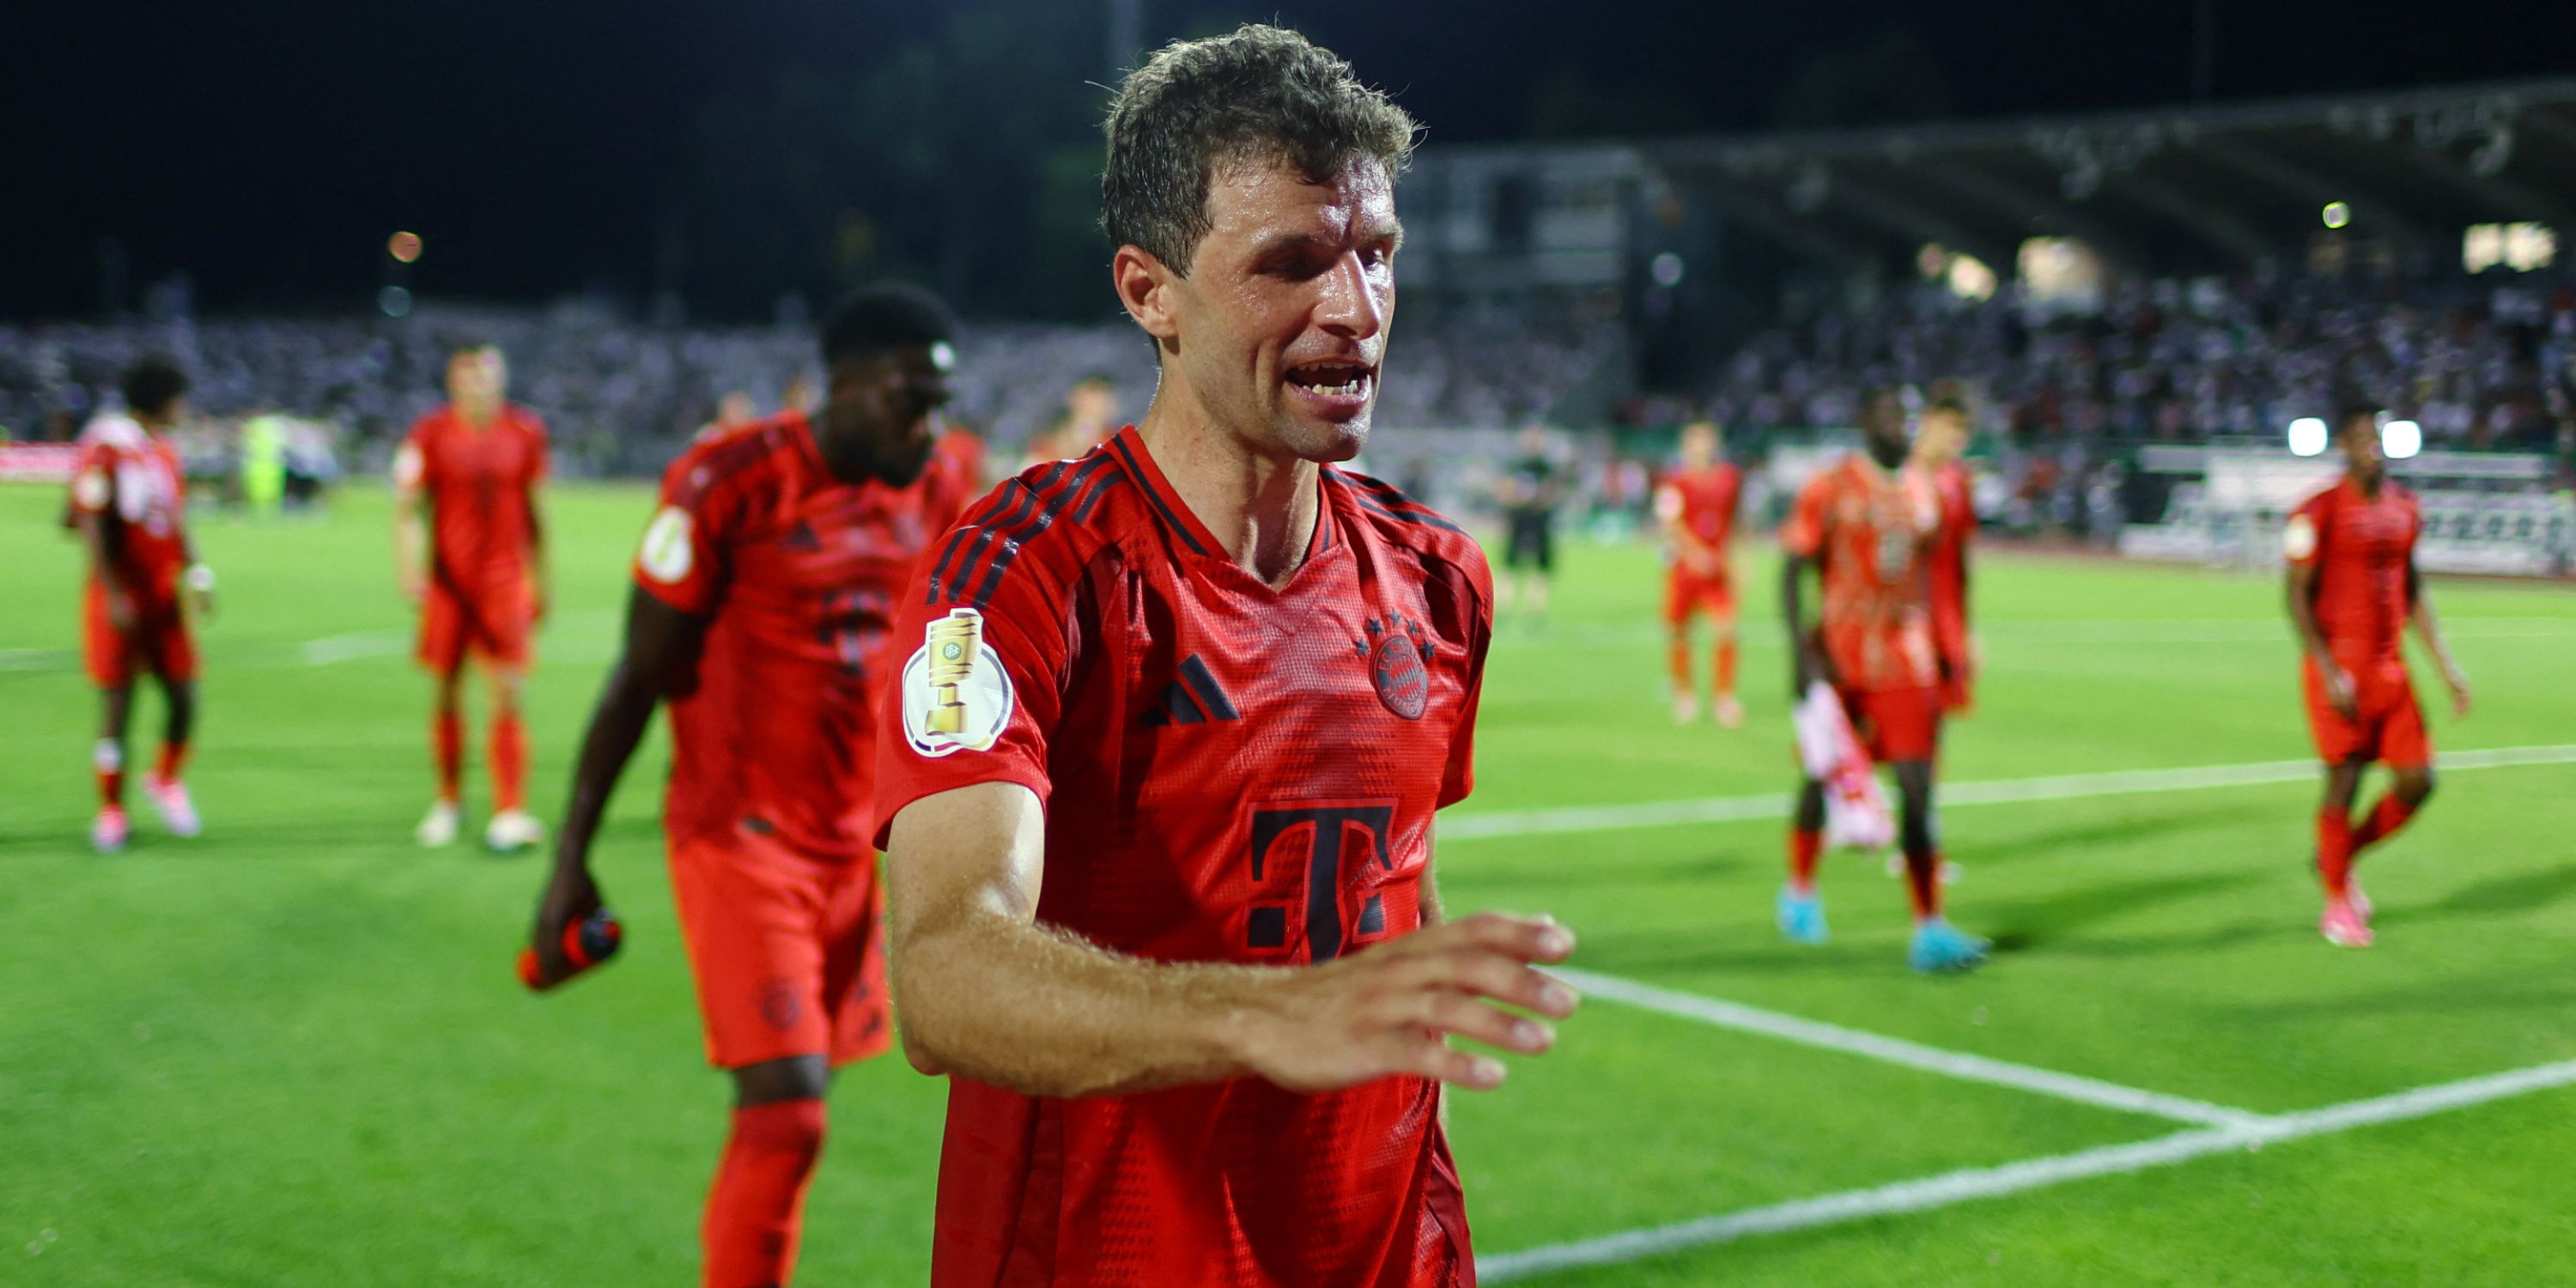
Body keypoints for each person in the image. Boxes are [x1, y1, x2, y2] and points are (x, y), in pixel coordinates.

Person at [874, 27, 1577, 1286]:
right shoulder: (1023, 570)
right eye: (1293, 263)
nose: (1356, 310)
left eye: (1375, 254)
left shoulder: (1437, 576)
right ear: (1150, 292)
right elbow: (943, 973)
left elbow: (1396, 896)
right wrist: (1269, 1013)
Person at [530, 285, 962, 1288]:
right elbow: (640, 675)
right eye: (909, 401)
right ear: (844, 390)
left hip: (859, 850)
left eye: (939, 403)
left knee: (817, 1118)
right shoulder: (729, 480)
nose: (929, 429)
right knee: (786, 1109)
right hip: (741, 837)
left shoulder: (939, 494)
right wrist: (571, 860)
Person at [1777, 386, 1989, 973]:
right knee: (1824, 776)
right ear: (1865, 418)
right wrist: (1800, 651)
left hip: (1905, 660)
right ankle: (1799, 890)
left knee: (1919, 789)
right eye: (1891, 414)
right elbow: (1794, 569)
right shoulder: (1832, 486)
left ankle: (1930, 926)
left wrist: (1950, 644)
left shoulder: (1929, 491)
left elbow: (1938, 576)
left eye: (1909, 418)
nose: (1902, 426)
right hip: (1841, 658)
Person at [2285, 398, 2472, 948]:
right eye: (2364, 437)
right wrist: (2327, 668)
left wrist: (2445, 664)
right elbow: (2296, 596)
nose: (2374, 447)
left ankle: (2338, 859)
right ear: (2343, 444)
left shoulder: (2406, 507)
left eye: (2381, 437)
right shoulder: (2315, 512)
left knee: (2418, 781)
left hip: (2391, 670)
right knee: (2344, 780)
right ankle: (2338, 903)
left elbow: (2413, 587)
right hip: (2340, 667)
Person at [394, 341, 550, 851]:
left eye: (487, 372)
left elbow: (535, 512)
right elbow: (409, 507)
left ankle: (509, 809)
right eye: (469, 373)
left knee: (507, 692)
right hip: (450, 584)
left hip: (504, 583)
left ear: (501, 378)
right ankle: (448, 801)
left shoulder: (525, 432)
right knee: (446, 691)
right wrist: (411, 569)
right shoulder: (431, 433)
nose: (479, 382)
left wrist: (541, 580)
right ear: (452, 380)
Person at [68, 356, 212, 854]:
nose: (184, 407)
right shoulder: (108, 447)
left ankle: (166, 780)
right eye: (178, 399)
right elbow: (88, 520)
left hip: (163, 598)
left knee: (185, 699)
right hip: (122, 597)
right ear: (160, 401)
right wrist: (112, 593)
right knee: (118, 708)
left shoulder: (163, 453)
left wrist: (197, 571)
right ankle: (111, 811)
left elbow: (175, 520)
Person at [1656, 420, 1744, 726]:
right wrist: (1695, 554)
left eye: (1706, 440)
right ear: (1686, 446)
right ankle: (1684, 694)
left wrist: (1739, 559)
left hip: (1717, 569)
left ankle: (1724, 697)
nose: (1701, 447)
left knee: (1727, 629)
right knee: (1680, 632)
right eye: (1695, 441)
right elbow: (1670, 524)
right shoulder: (1674, 481)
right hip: (1684, 570)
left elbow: (1735, 521)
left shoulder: (1728, 479)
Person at [1914, 387, 1977, 716]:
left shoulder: (1959, 482)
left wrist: (1967, 631)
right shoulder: (1901, 476)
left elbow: (1961, 563)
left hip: (1945, 619)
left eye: (1963, 429)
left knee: (1935, 720)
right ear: (1928, 422)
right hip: (1906, 619)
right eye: (1951, 425)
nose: (1958, 437)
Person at [1497, 423, 1564, 623]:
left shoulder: (1546, 467)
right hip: (1519, 519)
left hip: (1540, 520)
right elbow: (1504, 491)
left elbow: (1554, 492)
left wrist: (1540, 499)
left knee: (1541, 566)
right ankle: (1502, 607)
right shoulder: (1516, 465)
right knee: (1509, 563)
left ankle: (1536, 609)